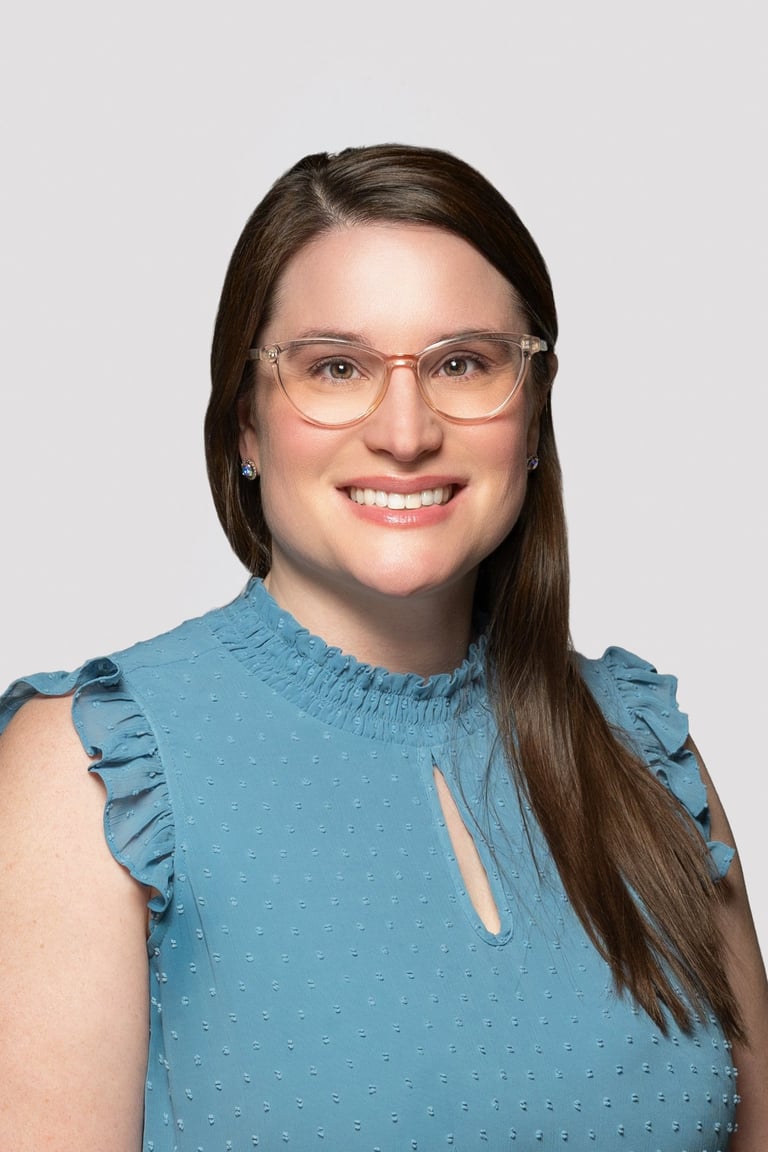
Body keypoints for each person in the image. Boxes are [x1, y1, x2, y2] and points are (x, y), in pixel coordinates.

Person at [1, 144, 766, 1152]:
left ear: (533, 412)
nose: (405, 433)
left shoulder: (646, 749)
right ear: (246, 425)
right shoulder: (94, 772)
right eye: (335, 367)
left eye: (462, 363)